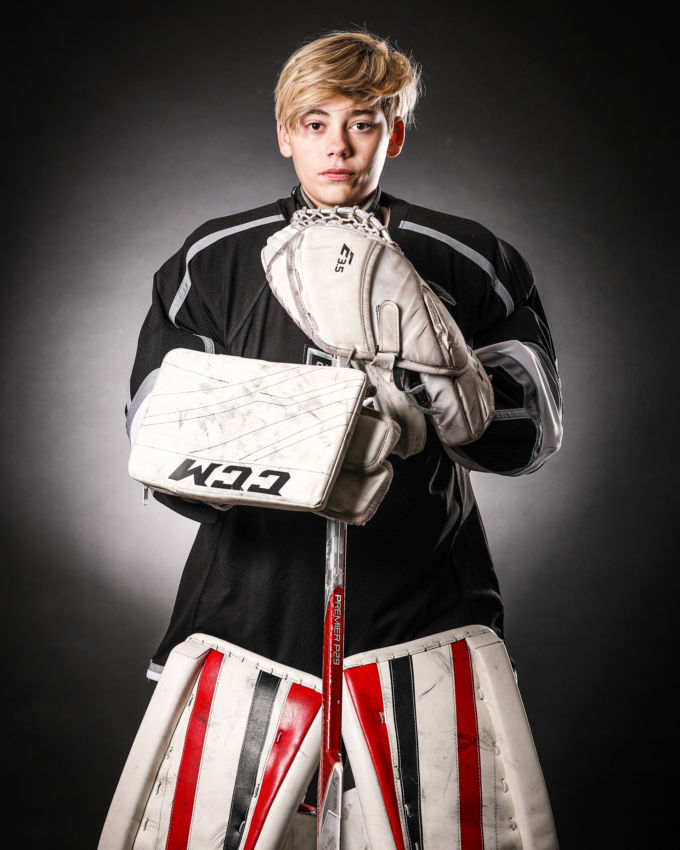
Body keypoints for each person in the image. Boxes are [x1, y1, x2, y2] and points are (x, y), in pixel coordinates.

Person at [117, 30, 562, 848]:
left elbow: (527, 436)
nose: (339, 147)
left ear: (393, 132)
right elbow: (155, 434)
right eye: (315, 123)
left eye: (362, 123)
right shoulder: (212, 258)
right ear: (284, 133)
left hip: (423, 611)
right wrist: (310, 435)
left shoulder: (470, 259)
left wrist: (444, 390)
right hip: (245, 613)